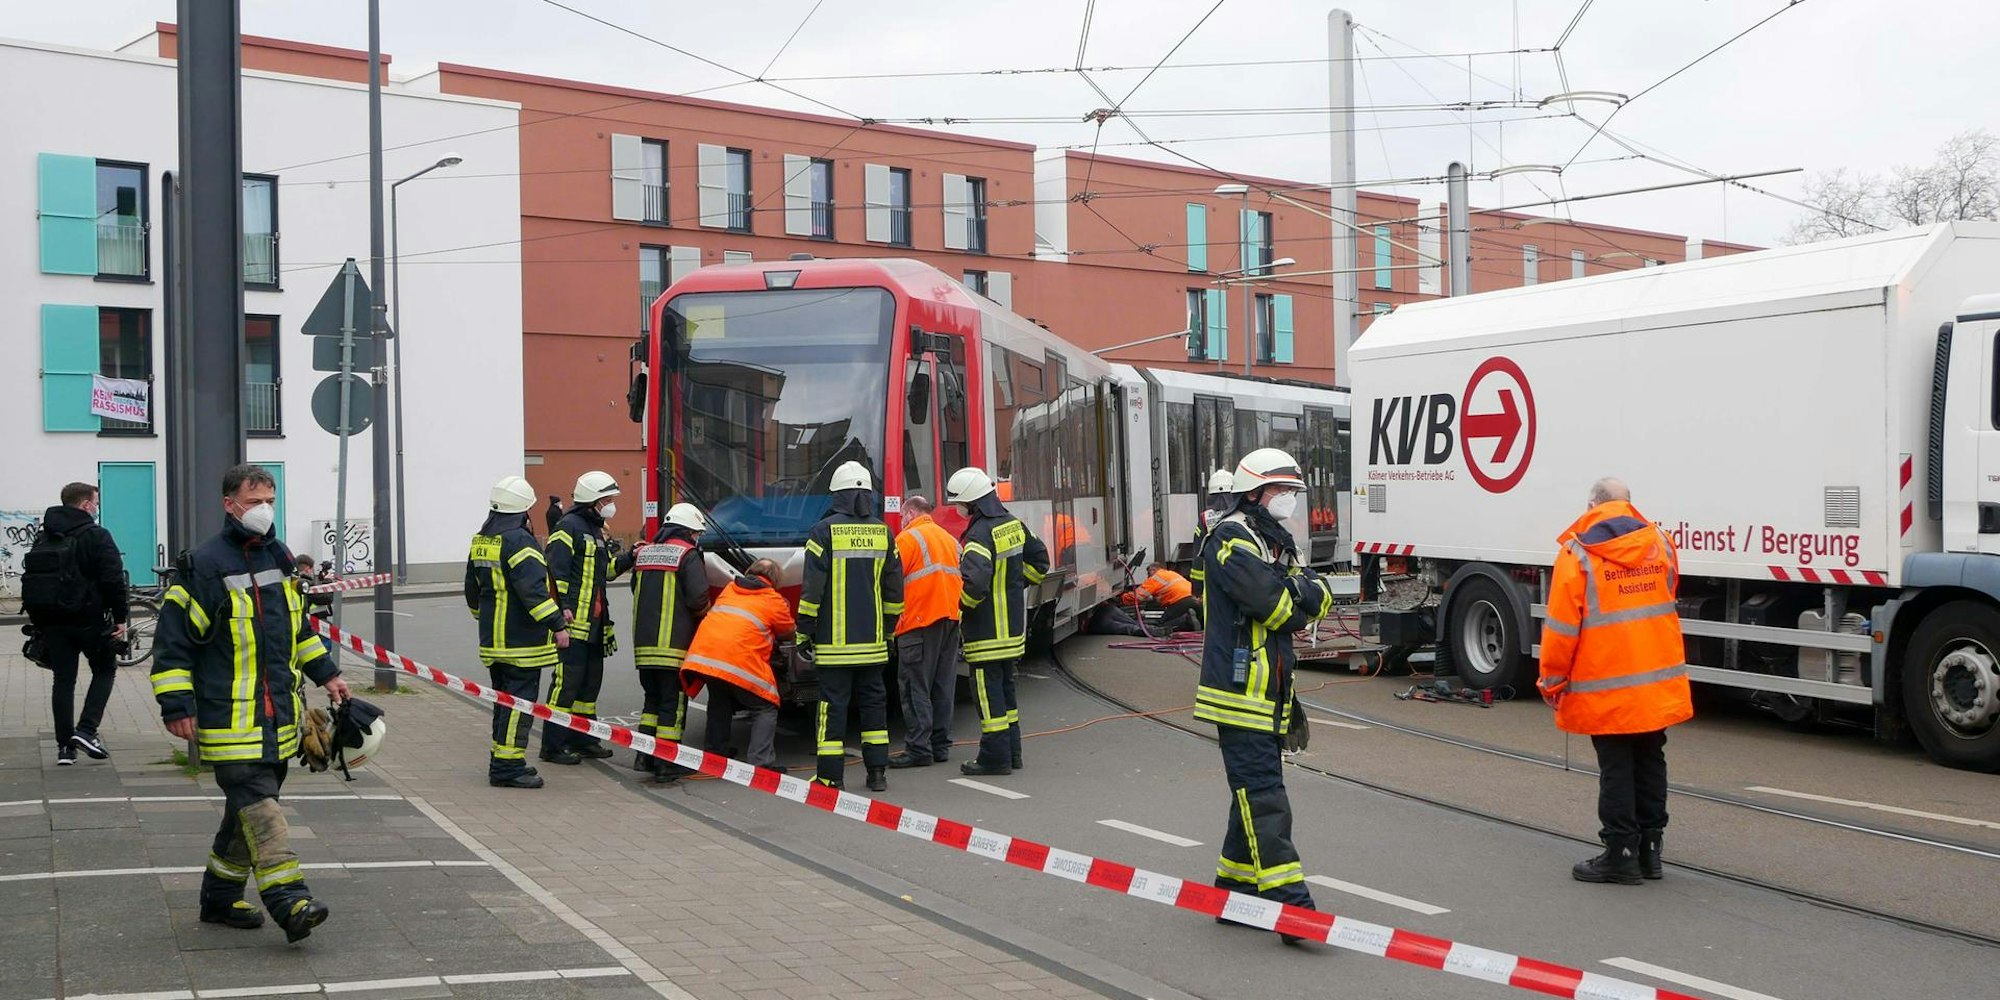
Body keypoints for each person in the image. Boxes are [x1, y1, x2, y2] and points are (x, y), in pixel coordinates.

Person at [150, 464, 350, 942]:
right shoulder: (204, 565)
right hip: (227, 717)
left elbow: (297, 629)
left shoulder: (280, 556)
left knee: (246, 812)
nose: (263, 509)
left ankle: (219, 899)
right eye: (253, 500)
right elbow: (173, 643)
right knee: (260, 806)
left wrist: (330, 675)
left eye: (269, 500)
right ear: (229, 504)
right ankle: (289, 899)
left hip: (278, 717)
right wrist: (176, 705)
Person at [1196, 448, 1335, 941]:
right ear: (1253, 492)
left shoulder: (1266, 539)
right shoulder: (1232, 540)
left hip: (1268, 692)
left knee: (1251, 797)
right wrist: (1301, 590)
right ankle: (1295, 910)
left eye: (1294, 493)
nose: (1290, 501)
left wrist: (1302, 590)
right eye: (1283, 492)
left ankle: (1231, 896)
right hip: (1240, 694)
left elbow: (1311, 596)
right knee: (1265, 797)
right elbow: (1282, 610)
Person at [1538, 477, 1692, 885]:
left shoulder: (1578, 554)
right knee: (1650, 756)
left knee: (1617, 765)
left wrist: (1552, 681)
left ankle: (1621, 853)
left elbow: (1561, 628)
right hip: (1654, 677)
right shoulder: (1661, 543)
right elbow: (1668, 593)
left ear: (1592, 506)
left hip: (1604, 682)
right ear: (1628, 504)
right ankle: (1650, 852)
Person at [797, 461, 904, 791]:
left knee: (833, 709)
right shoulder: (884, 532)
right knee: (874, 709)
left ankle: (830, 778)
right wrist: (887, 631)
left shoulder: (822, 531)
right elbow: (895, 591)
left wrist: (804, 631)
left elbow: (812, 589)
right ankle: (877, 774)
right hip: (873, 645)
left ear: (837, 496)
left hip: (834, 646)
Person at [466, 476, 570, 790]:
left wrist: (484, 621)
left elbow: (472, 591)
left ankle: (501, 759)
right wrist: (557, 625)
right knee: (519, 705)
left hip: (493, 643)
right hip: (521, 645)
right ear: (523, 509)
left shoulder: (482, 540)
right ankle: (508, 767)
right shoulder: (519, 542)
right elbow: (534, 593)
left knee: (503, 702)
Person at [948, 466, 1049, 777]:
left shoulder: (978, 535)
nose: (959, 508)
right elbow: (1040, 562)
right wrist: (1015, 584)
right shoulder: (1012, 524)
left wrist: (962, 608)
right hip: (1012, 630)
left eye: (959, 503)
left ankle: (994, 758)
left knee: (988, 697)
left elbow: (975, 585)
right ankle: (1012, 752)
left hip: (986, 632)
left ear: (972, 502)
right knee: (1006, 693)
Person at [21, 481, 129, 765]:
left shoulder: (44, 536)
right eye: (95, 502)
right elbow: (113, 579)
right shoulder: (97, 535)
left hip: (52, 621)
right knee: (105, 669)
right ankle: (86, 730)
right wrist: (120, 618)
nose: (96, 508)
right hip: (89, 619)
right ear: (85, 505)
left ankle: (65, 748)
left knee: (63, 680)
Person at [542, 471, 634, 765]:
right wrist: (562, 610)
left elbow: (605, 572)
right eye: (607, 499)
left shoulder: (594, 530)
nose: (610, 504)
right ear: (593, 501)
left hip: (595, 625)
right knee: (566, 686)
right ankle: (553, 745)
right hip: (573, 624)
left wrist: (632, 556)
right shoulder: (567, 528)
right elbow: (556, 574)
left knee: (588, 688)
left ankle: (583, 739)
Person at [681, 559, 794, 772]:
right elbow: (788, 631)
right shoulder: (773, 599)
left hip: (706, 657)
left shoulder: (729, 589)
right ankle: (761, 763)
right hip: (738, 660)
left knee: (719, 701)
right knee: (765, 706)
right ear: (775, 579)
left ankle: (716, 753)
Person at [630, 502, 712, 784]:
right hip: (673, 648)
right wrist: (707, 622)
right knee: (672, 706)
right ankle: (667, 763)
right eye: (697, 533)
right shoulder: (687, 555)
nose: (697, 538)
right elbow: (698, 598)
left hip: (644, 647)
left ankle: (645, 756)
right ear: (689, 531)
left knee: (651, 702)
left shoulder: (644, 553)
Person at [888, 495, 962, 769]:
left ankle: (919, 748)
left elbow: (891, 581)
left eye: (902, 518)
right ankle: (940, 745)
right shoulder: (948, 539)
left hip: (918, 621)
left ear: (909, 513)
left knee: (914, 686)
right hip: (951, 619)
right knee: (942, 686)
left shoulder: (908, 539)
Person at [1188, 468, 1234, 600]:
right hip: (1240, 577)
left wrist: (1197, 589)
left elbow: (1198, 556)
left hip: (1213, 580)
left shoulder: (1204, 519)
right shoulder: (1242, 514)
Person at [1121, 562, 1202, 635]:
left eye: (1148, 573)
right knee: (1199, 622)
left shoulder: (1156, 577)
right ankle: (1192, 621)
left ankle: (1186, 620)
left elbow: (1138, 596)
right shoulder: (1171, 574)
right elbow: (1166, 591)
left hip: (1180, 601)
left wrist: (1122, 598)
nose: (1148, 577)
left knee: (1163, 626)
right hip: (1195, 599)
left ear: (1153, 569)